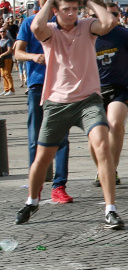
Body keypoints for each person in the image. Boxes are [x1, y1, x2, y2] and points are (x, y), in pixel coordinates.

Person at [15, 0, 125, 230]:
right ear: (56, 11)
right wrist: (51, 2)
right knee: (42, 158)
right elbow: (36, 27)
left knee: (102, 146)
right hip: (57, 103)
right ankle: (31, 202)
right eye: (66, 9)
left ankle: (110, 209)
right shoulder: (51, 31)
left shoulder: (86, 25)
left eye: (75, 9)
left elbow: (110, 21)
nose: (71, 14)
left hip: (88, 101)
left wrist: (90, 2)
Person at [14, 0, 72, 204]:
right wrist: (34, 56)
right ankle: (35, 187)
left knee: (62, 139)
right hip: (37, 86)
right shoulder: (29, 22)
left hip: (60, 85)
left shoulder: (63, 22)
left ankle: (59, 186)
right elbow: (17, 52)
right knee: (34, 139)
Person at [91, 2, 128, 187]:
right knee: (94, 133)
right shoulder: (88, 36)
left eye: (115, 14)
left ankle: (111, 168)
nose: (111, 18)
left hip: (120, 87)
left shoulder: (123, 33)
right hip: (94, 89)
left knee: (115, 124)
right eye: (107, 14)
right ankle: (101, 168)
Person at [0, 26, 14, 96]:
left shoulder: (8, 40)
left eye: (3, 31)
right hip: (1, 60)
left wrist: (2, 55)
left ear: (6, 32)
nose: (2, 33)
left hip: (7, 58)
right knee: (3, 74)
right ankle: (6, 89)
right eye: (1, 32)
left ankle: (11, 89)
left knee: (7, 74)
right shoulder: (0, 40)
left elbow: (10, 50)